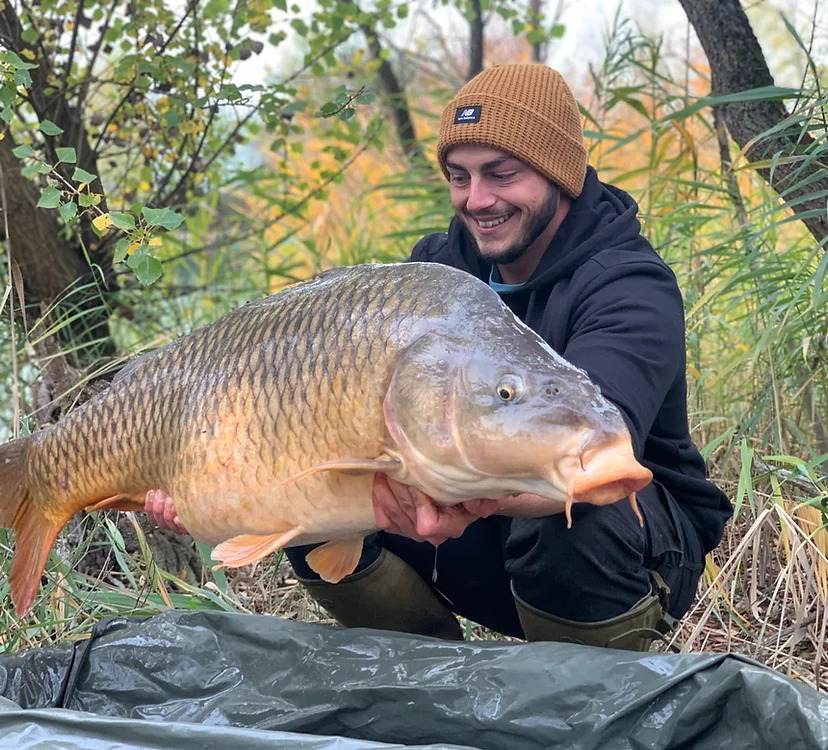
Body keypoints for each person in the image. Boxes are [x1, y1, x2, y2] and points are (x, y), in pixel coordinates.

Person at [147, 63, 731, 651]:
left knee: (571, 512)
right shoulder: (439, 273)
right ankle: (432, 686)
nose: (477, 201)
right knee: (312, 497)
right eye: (459, 177)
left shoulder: (629, 285)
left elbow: (599, 451)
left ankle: (576, 706)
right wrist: (209, 484)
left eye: (501, 174)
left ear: (561, 173)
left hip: (632, 558)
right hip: (474, 537)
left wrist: (459, 502)